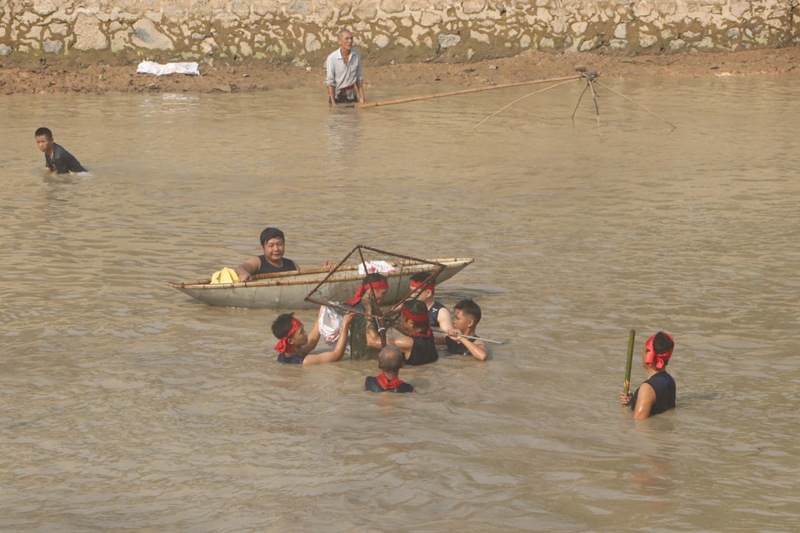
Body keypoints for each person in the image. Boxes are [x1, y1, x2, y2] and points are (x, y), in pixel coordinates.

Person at [620, 331, 676, 419]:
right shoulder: (669, 380)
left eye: (644, 350)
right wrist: (634, 401)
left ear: (648, 354)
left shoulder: (647, 388)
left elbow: (637, 423)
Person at [272, 309, 354, 365]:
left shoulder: (287, 353)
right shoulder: (305, 361)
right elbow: (336, 355)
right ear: (290, 341)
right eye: (301, 332)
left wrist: (322, 311)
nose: (305, 333)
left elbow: (312, 341)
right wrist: (345, 325)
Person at [344, 273, 389, 361]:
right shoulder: (362, 311)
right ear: (371, 292)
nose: (384, 298)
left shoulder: (364, 308)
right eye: (383, 293)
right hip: (366, 362)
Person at [234, 227, 300, 282]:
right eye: (271, 245)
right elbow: (240, 268)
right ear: (262, 247)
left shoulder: (293, 264)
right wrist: (243, 274)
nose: (276, 249)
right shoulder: (257, 262)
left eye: (279, 244)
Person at [387, 299, 438, 366]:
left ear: (411, 323)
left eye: (402, 316)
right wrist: (391, 323)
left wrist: (369, 306)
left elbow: (373, 341)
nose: (401, 319)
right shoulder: (428, 332)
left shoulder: (408, 343)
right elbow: (409, 332)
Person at [325, 29, 365, 106]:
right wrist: (333, 103)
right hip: (337, 96)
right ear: (339, 41)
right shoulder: (332, 58)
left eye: (351, 38)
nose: (350, 41)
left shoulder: (356, 55)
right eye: (347, 39)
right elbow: (330, 82)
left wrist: (362, 98)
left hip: (351, 96)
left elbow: (359, 78)